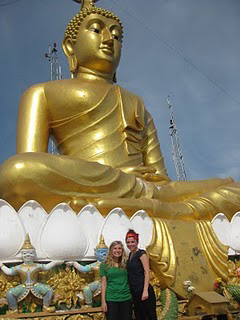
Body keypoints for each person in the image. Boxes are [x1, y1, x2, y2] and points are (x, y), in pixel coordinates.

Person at [0, 0, 239, 222]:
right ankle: (167, 208)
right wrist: (128, 182)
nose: (108, 39)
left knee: (232, 188)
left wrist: (150, 188)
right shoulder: (42, 93)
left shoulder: (136, 102)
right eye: (96, 30)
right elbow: (31, 160)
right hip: (94, 180)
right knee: (18, 172)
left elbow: (161, 179)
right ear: (70, 46)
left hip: (151, 190)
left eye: (116, 35)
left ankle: (163, 208)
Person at [0, 234, 63, 313]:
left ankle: (46, 307)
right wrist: (1, 265)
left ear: (34, 254)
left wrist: (55, 263)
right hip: (23, 286)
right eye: (25, 253)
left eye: (30, 253)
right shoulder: (19, 267)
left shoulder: (36, 266)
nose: (28, 255)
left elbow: (46, 267)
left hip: (35, 285)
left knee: (49, 290)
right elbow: (8, 272)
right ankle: (14, 310)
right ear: (22, 255)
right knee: (9, 294)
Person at [67, 235, 108, 307]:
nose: (104, 254)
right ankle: (89, 304)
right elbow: (84, 269)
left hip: (109, 284)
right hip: (98, 283)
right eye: (101, 252)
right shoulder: (95, 265)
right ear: (96, 253)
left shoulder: (111, 264)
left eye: (105, 252)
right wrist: (74, 263)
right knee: (86, 289)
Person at [126, 229, 157, 320]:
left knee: (148, 316)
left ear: (137, 242)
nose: (130, 244)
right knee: (139, 315)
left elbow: (147, 272)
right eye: (128, 242)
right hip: (134, 291)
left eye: (132, 242)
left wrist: (145, 290)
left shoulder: (142, 254)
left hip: (143, 289)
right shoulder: (130, 255)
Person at [100, 241, 132, 320]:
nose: (117, 250)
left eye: (119, 248)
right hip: (111, 298)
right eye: (115, 248)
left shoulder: (126, 263)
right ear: (111, 250)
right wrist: (103, 302)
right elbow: (103, 284)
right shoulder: (104, 265)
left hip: (126, 297)